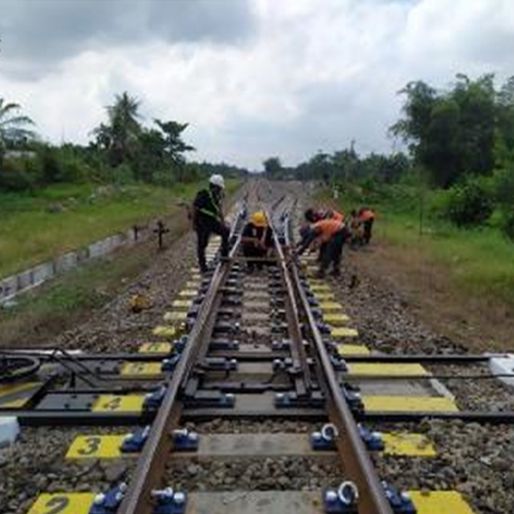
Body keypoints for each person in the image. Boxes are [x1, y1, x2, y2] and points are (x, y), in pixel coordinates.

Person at [192, 174, 229, 273]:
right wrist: (194, 223)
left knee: (225, 231)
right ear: (214, 186)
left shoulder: (217, 196)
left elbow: (219, 210)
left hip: (211, 221)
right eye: (219, 188)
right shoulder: (203, 194)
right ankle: (203, 267)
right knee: (202, 244)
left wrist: (222, 222)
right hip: (202, 222)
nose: (220, 190)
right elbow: (195, 208)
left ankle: (224, 256)